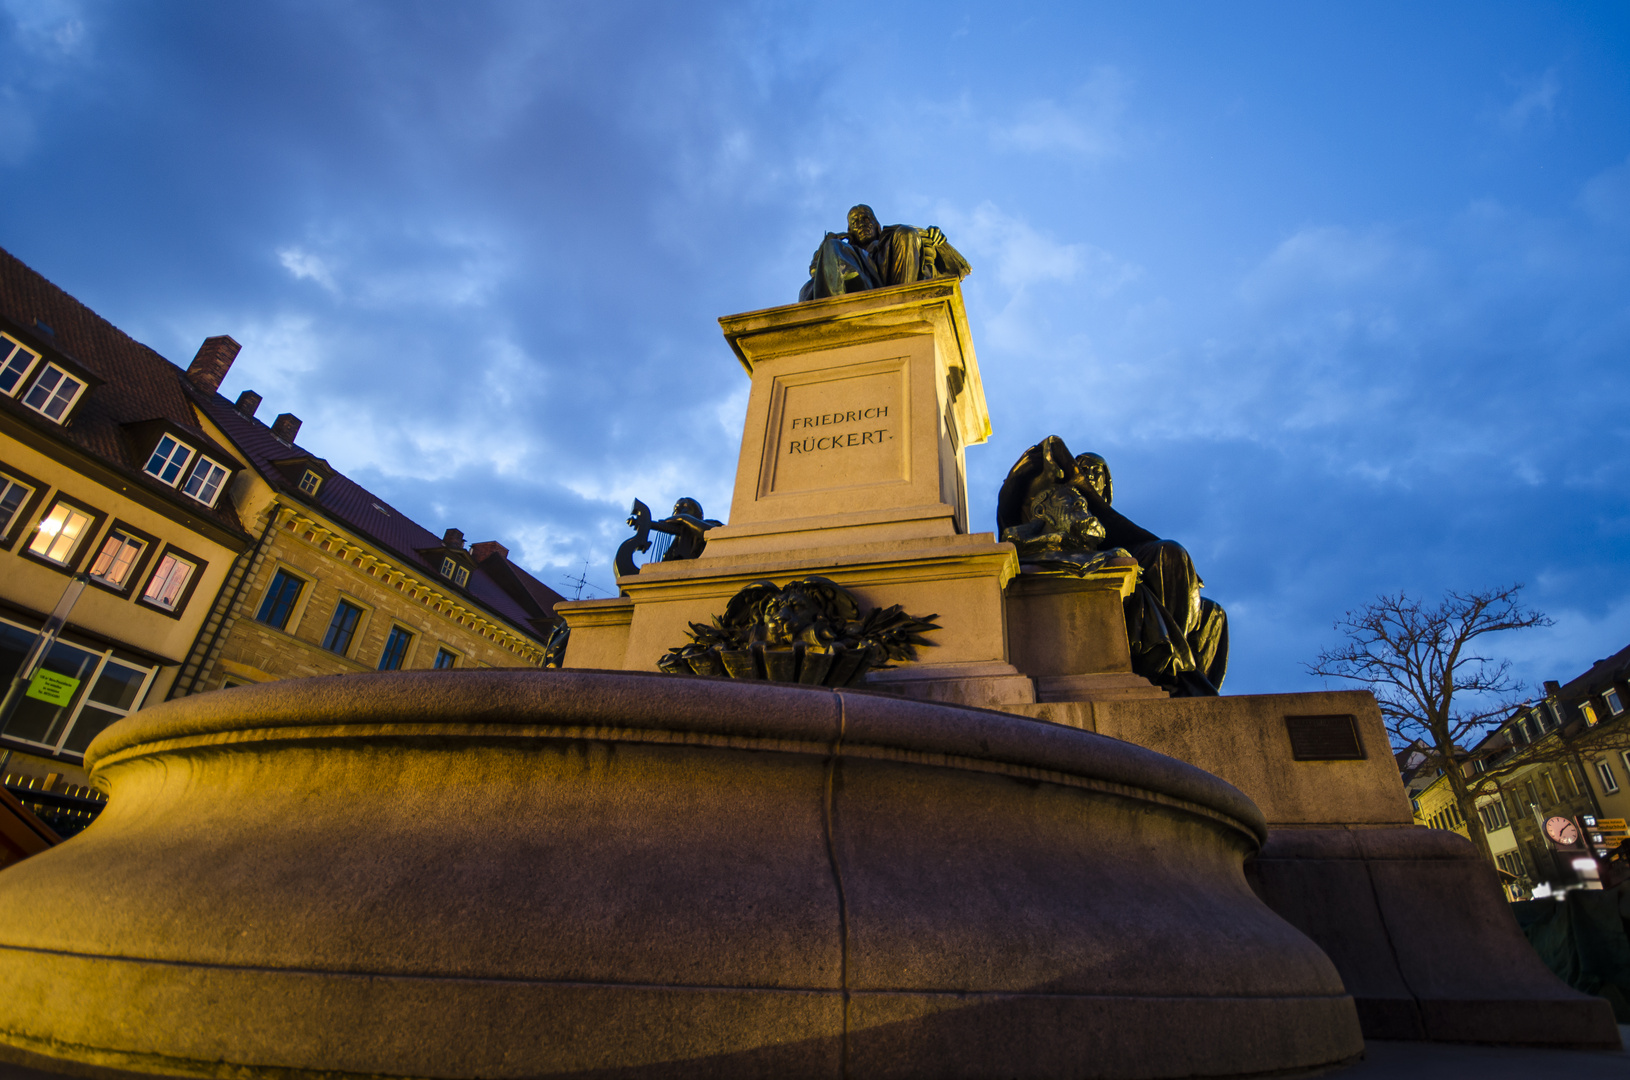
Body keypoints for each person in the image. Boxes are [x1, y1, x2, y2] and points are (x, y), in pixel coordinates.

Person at [997, 436, 1228, 696]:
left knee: (1212, 613)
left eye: (1098, 473)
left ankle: (1182, 670)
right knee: (1169, 552)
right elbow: (1015, 504)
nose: (1090, 474)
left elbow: (1122, 533)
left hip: (1116, 556)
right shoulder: (1058, 499)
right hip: (1077, 559)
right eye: (1083, 467)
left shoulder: (1105, 524)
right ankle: (1173, 669)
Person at [799, 205, 970, 301]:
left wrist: (930, 236)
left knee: (907, 232)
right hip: (854, 289)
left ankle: (903, 300)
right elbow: (815, 272)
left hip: (889, 285)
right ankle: (845, 291)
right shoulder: (842, 250)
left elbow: (914, 237)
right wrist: (826, 245)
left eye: (866, 218)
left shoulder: (889, 241)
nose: (861, 224)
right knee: (832, 247)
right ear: (849, 231)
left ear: (876, 225)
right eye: (855, 222)